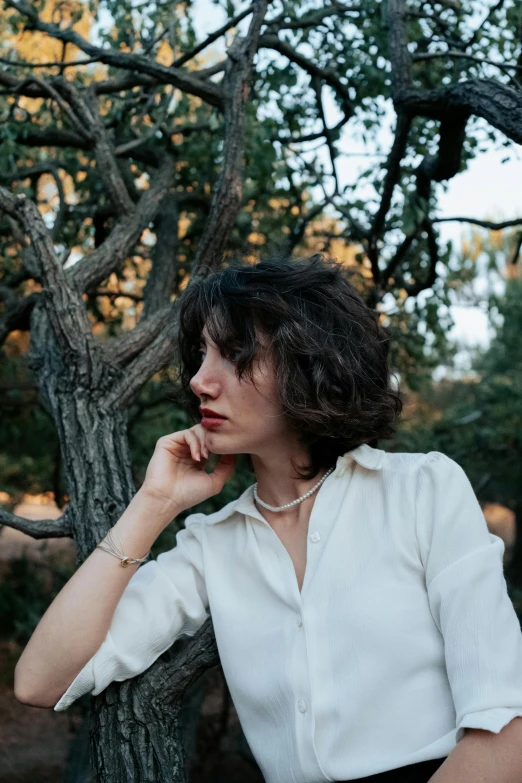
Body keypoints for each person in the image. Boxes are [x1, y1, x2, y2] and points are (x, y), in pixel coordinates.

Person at [13, 254, 522, 783]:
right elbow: (40, 679)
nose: (199, 381)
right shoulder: (213, 545)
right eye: (201, 355)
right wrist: (153, 504)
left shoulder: (423, 491)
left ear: (311, 363)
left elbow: (503, 732)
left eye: (234, 355)